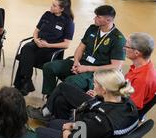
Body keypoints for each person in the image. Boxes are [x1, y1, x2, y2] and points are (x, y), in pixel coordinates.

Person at [28, 32, 156, 122]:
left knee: (64, 87)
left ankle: (47, 113)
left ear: (137, 52)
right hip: (108, 100)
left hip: (108, 110)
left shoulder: (143, 78)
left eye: (126, 46)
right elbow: (124, 92)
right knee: (61, 100)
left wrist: (102, 97)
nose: (123, 48)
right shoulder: (139, 67)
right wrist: (101, 92)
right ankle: (60, 123)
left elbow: (130, 107)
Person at [36, 69, 139, 138]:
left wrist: (66, 130)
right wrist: (74, 125)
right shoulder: (128, 103)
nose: (93, 84)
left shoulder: (101, 120)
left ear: (104, 90)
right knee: (53, 123)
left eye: (95, 83)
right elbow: (92, 128)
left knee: (37, 132)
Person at [41, 5, 126, 96]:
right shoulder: (92, 29)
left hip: (96, 73)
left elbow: (116, 66)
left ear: (108, 20)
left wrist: (88, 68)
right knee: (48, 67)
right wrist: (76, 62)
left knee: (70, 81)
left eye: (98, 17)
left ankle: (56, 104)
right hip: (81, 65)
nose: (94, 18)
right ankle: (50, 98)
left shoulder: (118, 39)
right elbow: (80, 48)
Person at [13, 0, 74, 96]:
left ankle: (22, 84)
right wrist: (36, 40)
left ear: (61, 9)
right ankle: (27, 81)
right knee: (26, 48)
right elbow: (36, 31)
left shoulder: (68, 22)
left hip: (51, 49)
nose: (51, 7)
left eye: (54, 5)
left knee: (26, 56)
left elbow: (66, 44)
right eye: (52, 4)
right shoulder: (47, 15)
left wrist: (48, 45)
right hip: (38, 43)